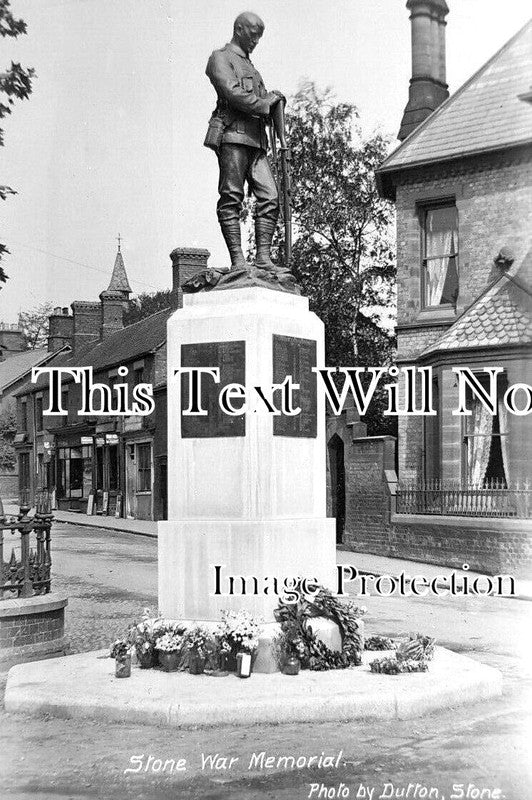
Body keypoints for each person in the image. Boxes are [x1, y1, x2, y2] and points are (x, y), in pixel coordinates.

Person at [205, 12, 284, 273]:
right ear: (239, 29)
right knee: (231, 197)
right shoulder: (220, 58)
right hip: (233, 136)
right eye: (253, 35)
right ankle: (238, 261)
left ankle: (263, 258)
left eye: (259, 37)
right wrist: (265, 103)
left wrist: (274, 100)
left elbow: (261, 100)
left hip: (256, 141)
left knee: (270, 196)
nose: (256, 41)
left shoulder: (252, 67)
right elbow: (231, 92)